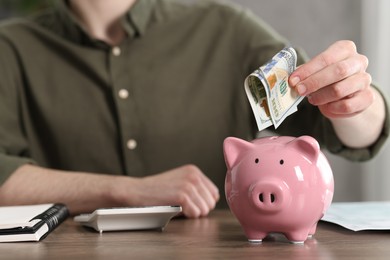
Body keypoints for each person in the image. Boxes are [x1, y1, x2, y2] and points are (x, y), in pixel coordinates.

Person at [0, 0, 388, 218]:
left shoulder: (226, 27)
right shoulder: (11, 46)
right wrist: (127, 191)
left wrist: (354, 101)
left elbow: (337, 128)